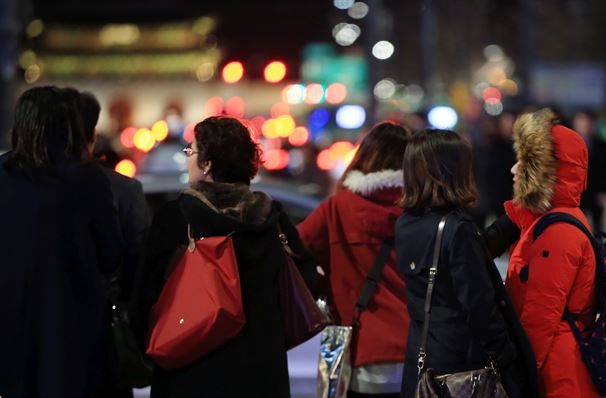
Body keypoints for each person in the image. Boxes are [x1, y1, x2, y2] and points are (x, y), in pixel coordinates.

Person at [130, 116, 314, 398]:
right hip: (261, 373)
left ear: (207, 164)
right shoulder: (272, 218)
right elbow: (306, 281)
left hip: (190, 368)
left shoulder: (177, 218)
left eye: (191, 152)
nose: (188, 159)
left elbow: (144, 297)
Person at [0, 86, 123, 397]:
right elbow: (111, 254)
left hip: (10, 327)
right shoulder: (87, 180)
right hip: (72, 327)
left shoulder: (3, 174)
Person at [395, 129, 537, 398]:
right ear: (450, 171)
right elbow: (480, 307)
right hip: (460, 370)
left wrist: (514, 216)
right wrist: (509, 360)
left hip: (423, 362)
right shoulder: (456, 228)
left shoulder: (406, 222)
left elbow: (472, 253)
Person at [297, 121, 411, 398]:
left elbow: (292, 251)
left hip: (360, 351)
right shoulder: (418, 209)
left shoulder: (337, 209)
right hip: (414, 350)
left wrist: (323, 284)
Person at [504, 108, 600, 397]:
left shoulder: (558, 230)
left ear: (546, 172)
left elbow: (541, 314)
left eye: (524, 162)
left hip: (557, 376)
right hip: (556, 366)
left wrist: (519, 375)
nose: (514, 169)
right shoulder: (552, 221)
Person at [67, 88, 150, 396]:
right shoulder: (123, 190)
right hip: (105, 332)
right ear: (92, 133)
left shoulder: (29, 189)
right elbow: (138, 263)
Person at [572, 110, 606, 232]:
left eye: (588, 122)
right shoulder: (566, 145)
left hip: (596, 194)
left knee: (598, 229)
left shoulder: (604, 147)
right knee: (575, 227)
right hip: (574, 194)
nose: (585, 125)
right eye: (581, 121)